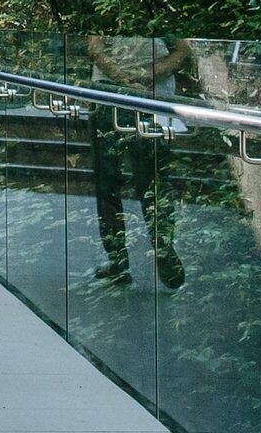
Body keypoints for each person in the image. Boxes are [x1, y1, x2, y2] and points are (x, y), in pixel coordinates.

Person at [83, 33, 202, 288]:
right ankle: (122, 257)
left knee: (144, 180)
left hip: (147, 99)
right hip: (111, 97)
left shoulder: (159, 5)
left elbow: (182, 50)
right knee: (115, 181)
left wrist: (143, 76)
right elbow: (95, 48)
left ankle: (157, 253)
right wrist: (127, 79)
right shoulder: (109, 3)